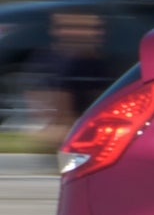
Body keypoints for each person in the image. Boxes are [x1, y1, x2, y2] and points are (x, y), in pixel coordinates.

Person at [25, 11, 110, 144]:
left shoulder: (102, 64)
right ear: (54, 31)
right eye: (68, 27)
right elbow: (47, 107)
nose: (76, 33)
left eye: (85, 28)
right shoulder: (47, 61)